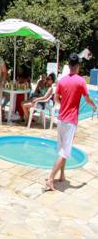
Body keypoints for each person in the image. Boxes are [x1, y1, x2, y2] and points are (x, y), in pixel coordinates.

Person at [46, 54, 96, 191]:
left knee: (62, 148)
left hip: (61, 119)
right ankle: (50, 179)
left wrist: (64, 104)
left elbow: (56, 98)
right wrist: (94, 106)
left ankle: (62, 174)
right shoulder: (80, 81)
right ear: (78, 66)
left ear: (69, 66)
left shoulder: (62, 81)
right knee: (65, 152)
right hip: (70, 121)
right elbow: (87, 98)